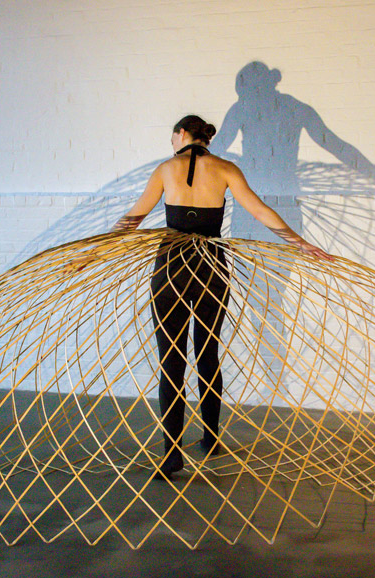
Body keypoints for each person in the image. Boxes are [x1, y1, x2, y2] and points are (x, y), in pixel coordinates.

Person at [111, 115, 332, 481]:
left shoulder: (166, 169)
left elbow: (132, 219)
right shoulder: (226, 169)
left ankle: (170, 456)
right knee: (208, 351)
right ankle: (211, 438)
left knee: (171, 359)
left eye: (172, 135)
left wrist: (98, 246)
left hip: (171, 267)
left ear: (181, 134)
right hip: (212, 267)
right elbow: (260, 211)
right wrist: (301, 243)